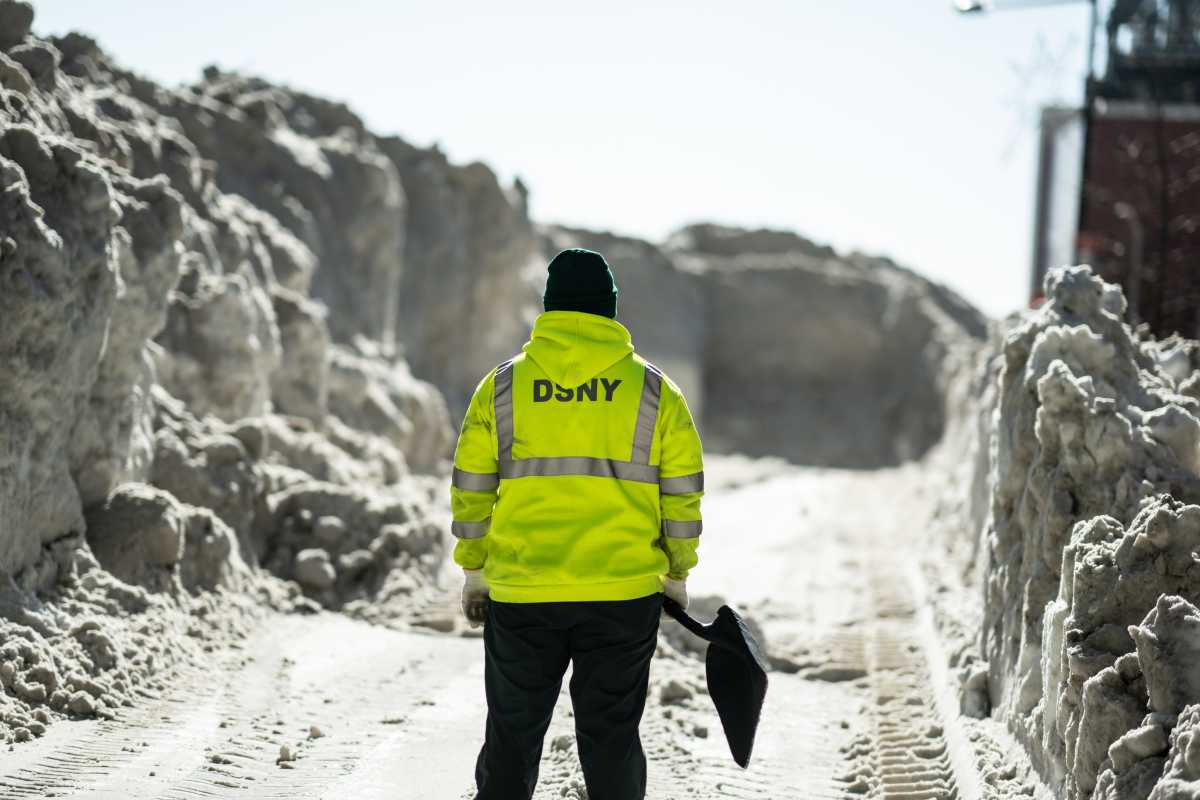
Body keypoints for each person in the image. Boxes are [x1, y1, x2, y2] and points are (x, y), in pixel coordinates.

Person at [450, 247, 704, 800]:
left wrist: (474, 569)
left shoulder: (500, 388)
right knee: (612, 737)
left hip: (524, 593)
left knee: (512, 738)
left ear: (551, 308)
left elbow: (471, 487)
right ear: (609, 310)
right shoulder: (657, 393)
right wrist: (678, 573)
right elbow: (681, 495)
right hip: (623, 594)